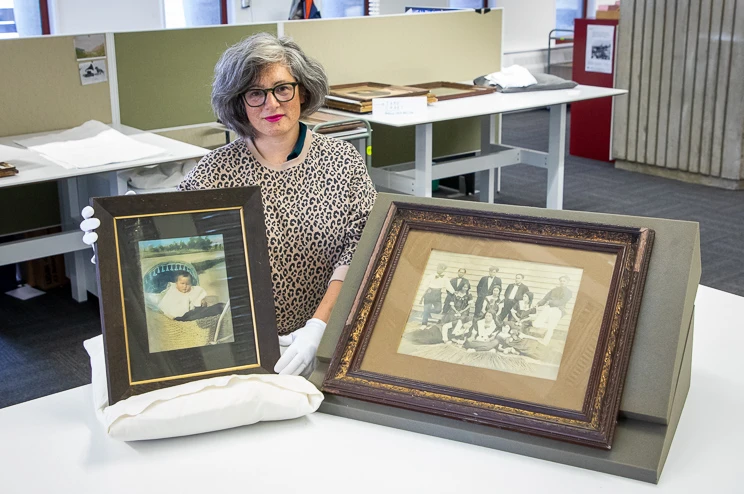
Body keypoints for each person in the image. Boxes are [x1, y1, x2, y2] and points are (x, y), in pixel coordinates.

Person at [80, 33, 377, 378]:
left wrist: (319, 327)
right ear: (238, 104)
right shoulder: (215, 171)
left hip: (327, 333)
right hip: (240, 345)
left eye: (282, 88)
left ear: (303, 91)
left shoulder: (343, 162)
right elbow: (169, 239)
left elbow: (360, 251)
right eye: (255, 94)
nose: (272, 104)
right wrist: (111, 237)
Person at [532, 276, 573, 342]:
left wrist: (551, 301)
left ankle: (545, 341)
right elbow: (546, 298)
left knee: (551, 326)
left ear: (567, 282)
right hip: (549, 308)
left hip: (558, 309)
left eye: (564, 281)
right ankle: (545, 331)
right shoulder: (554, 290)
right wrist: (538, 304)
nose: (562, 282)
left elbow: (562, 301)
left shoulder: (569, 292)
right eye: (561, 281)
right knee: (536, 323)